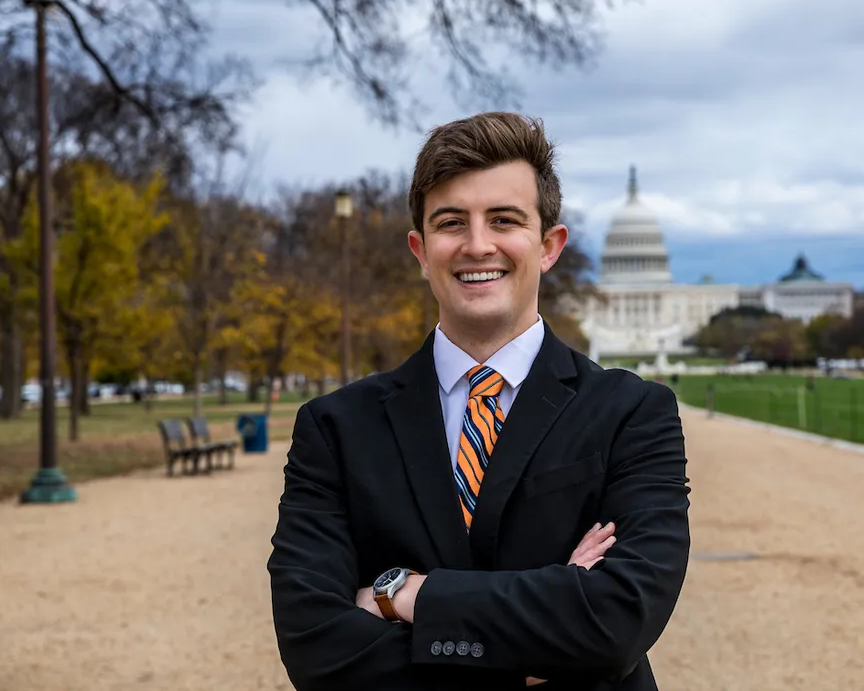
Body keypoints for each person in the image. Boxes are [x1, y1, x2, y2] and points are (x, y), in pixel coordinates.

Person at [267, 111, 691, 691]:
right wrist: (546, 641)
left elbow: (616, 622)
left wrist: (404, 595)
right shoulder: (335, 428)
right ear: (420, 250)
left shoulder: (632, 413)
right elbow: (317, 651)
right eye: (450, 223)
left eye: (503, 220)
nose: (477, 244)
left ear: (548, 245)